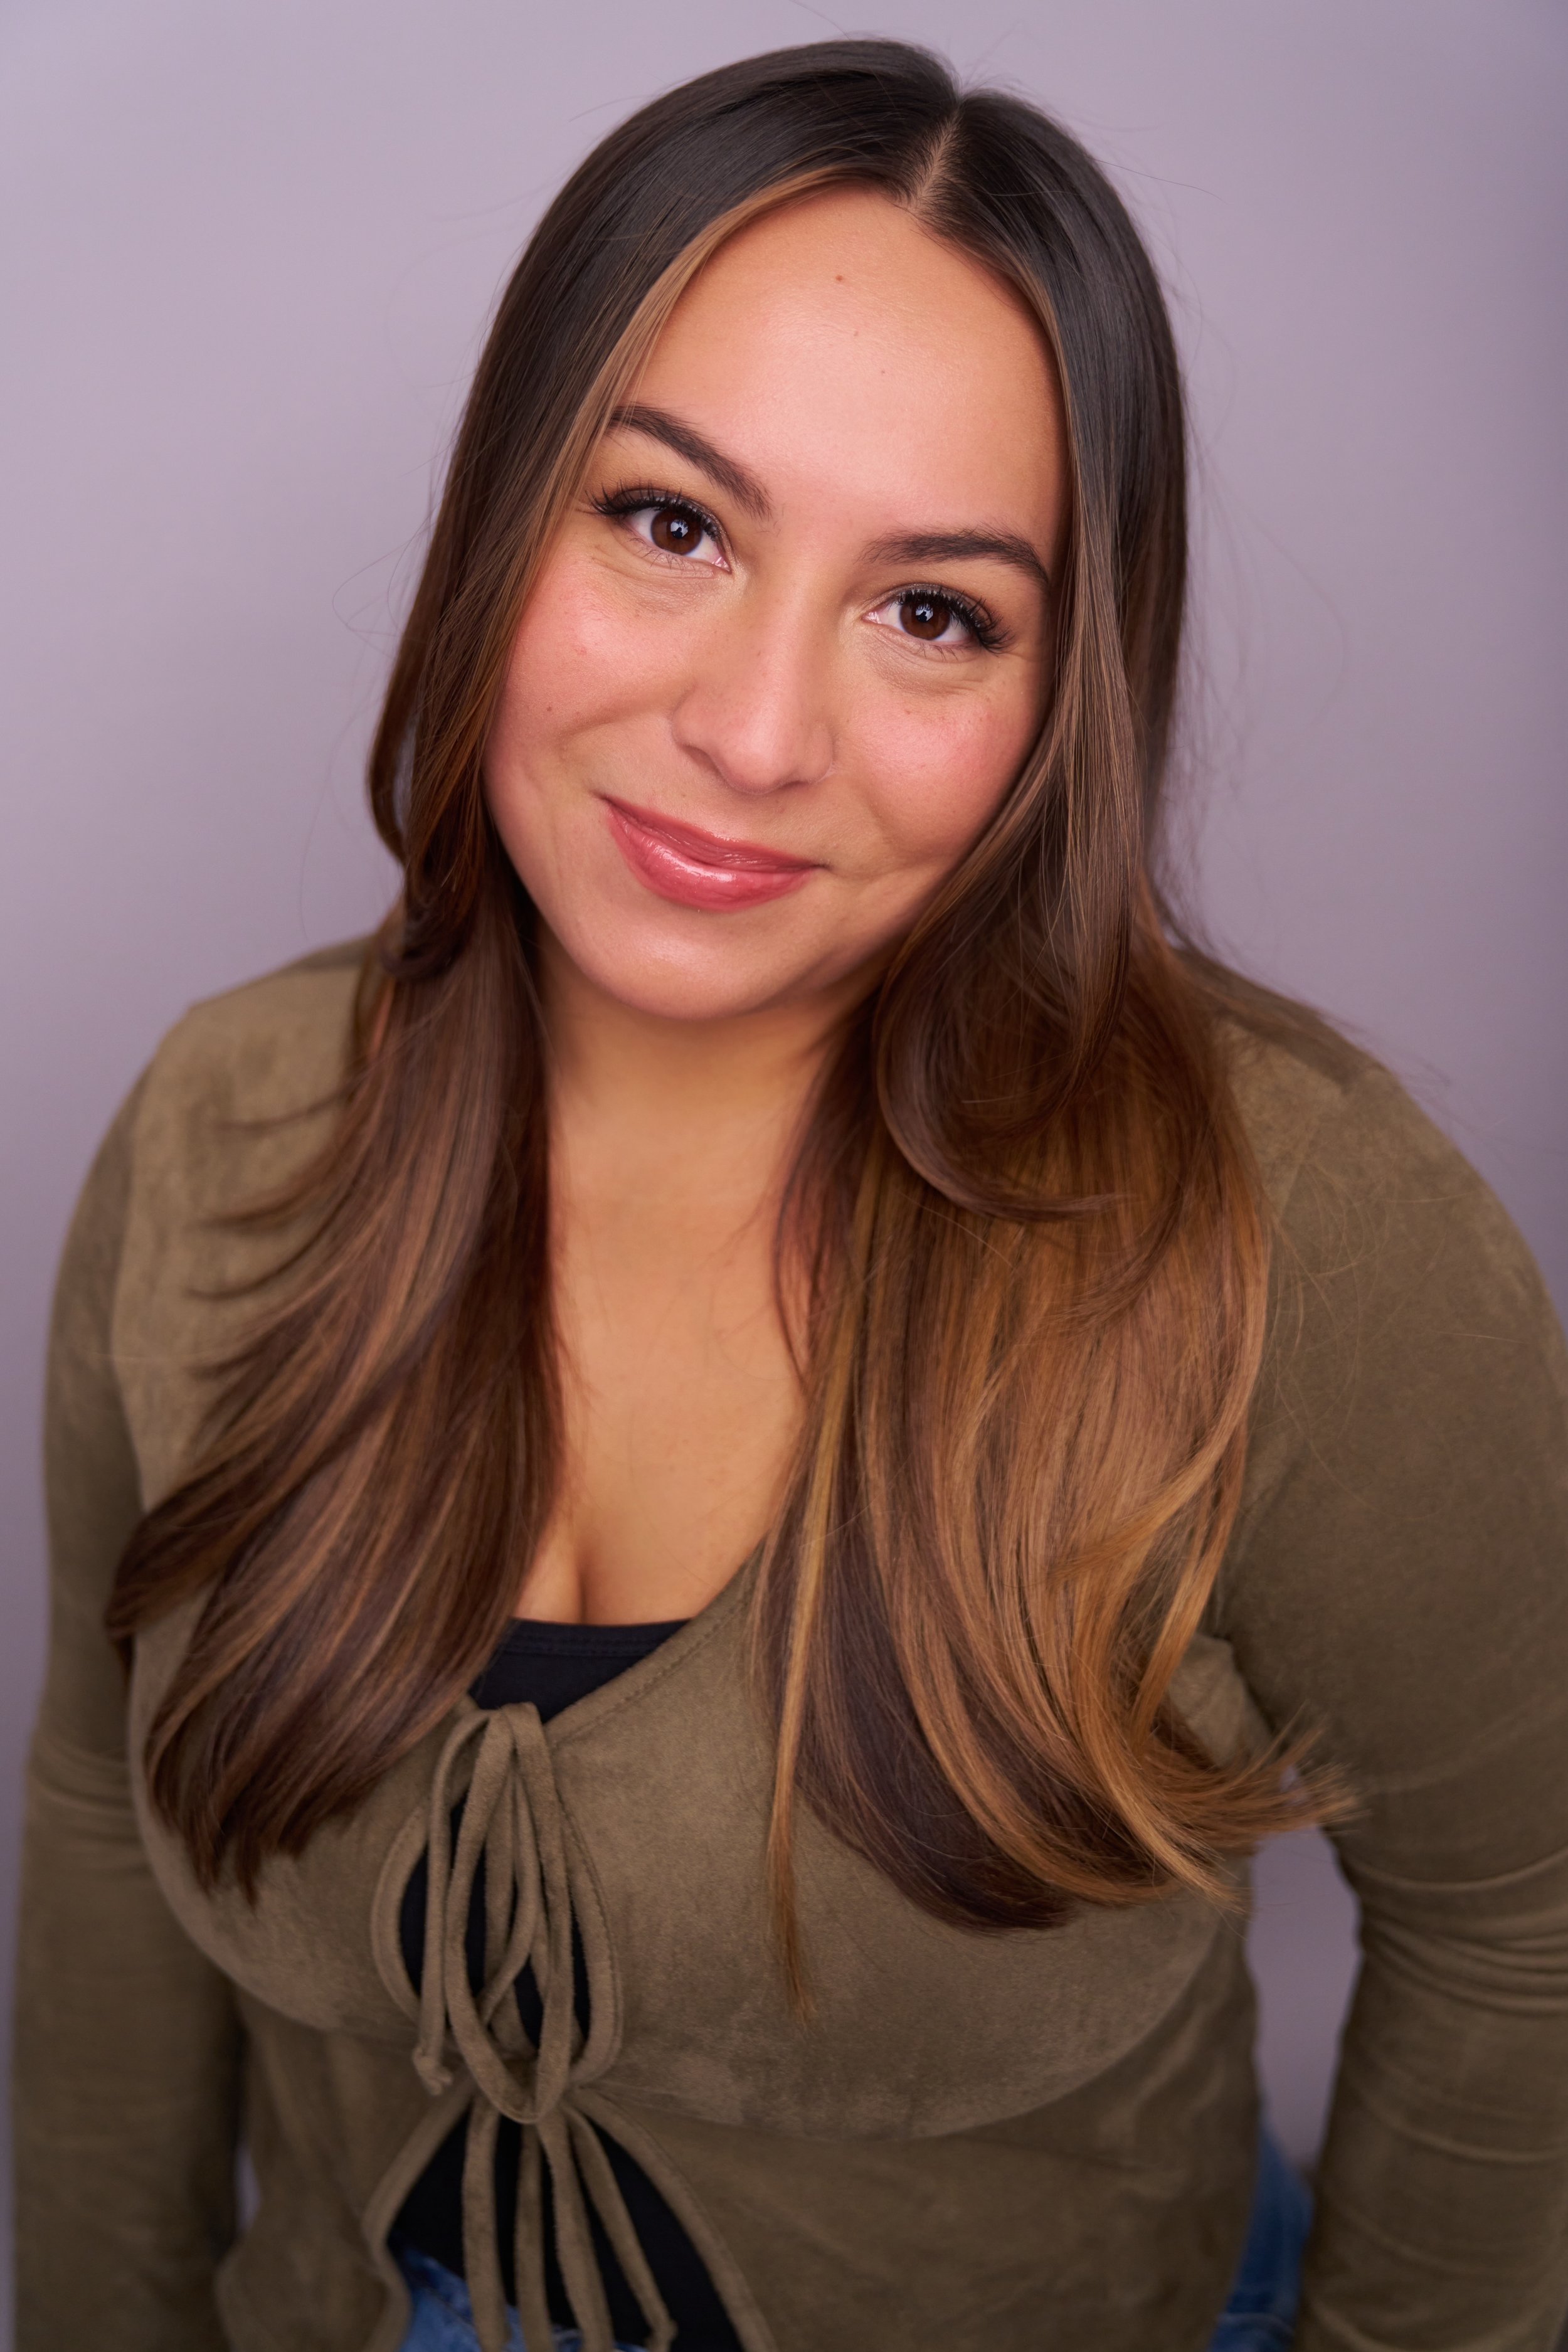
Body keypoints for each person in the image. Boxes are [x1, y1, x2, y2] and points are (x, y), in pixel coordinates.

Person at [14, 36, 1568, 2352]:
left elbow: (1523, 1913)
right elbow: (97, 1808)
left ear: (1058, 706)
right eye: (671, 522)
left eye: (932, 610)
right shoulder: (226, 1129)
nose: (755, 730)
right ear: (503, 510)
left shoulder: (1287, 1228)